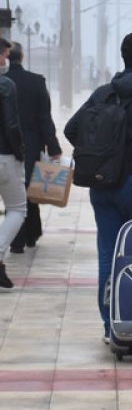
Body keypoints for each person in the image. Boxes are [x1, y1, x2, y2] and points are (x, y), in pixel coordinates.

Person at [64, 33, 132, 343]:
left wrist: (101, 157)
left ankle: (110, 327)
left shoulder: (104, 92)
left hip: (102, 186)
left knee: (108, 255)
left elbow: (71, 129)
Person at [5, 42, 62, 253]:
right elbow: (44, 118)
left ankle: (19, 239)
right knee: (29, 188)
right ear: (22, 57)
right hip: (30, 143)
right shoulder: (36, 82)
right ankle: (30, 234)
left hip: (6, 145)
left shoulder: (4, 82)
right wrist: (54, 147)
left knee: (16, 193)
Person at [0, 38, 27, 289]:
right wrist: (20, 151)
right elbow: (10, 124)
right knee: (17, 209)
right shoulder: (5, 85)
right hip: (5, 157)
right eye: (5, 53)